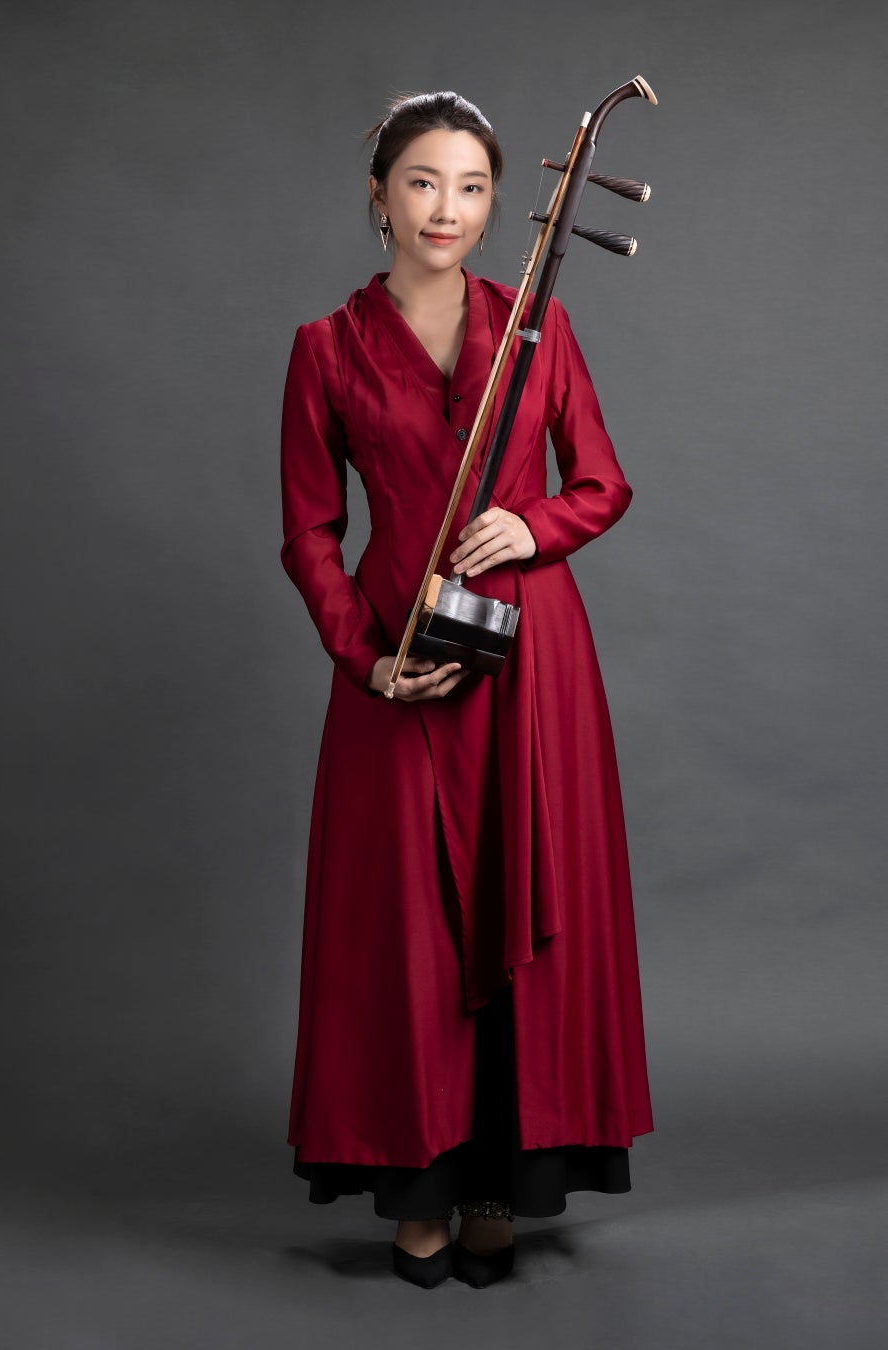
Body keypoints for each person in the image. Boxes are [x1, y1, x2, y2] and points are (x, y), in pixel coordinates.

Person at [279, 91, 653, 1290]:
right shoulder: (326, 347)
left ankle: (501, 1184)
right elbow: (310, 532)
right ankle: (422, 1186)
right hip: (400, 663)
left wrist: (532, 526)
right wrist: (366, 657)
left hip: (532, 664)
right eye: (424, 181)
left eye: (475, 186)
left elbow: (602, 483)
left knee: (522, 906)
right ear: (380, 197)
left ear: (500, 204)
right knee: (411, 933)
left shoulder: (539, 326)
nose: (449, 207)